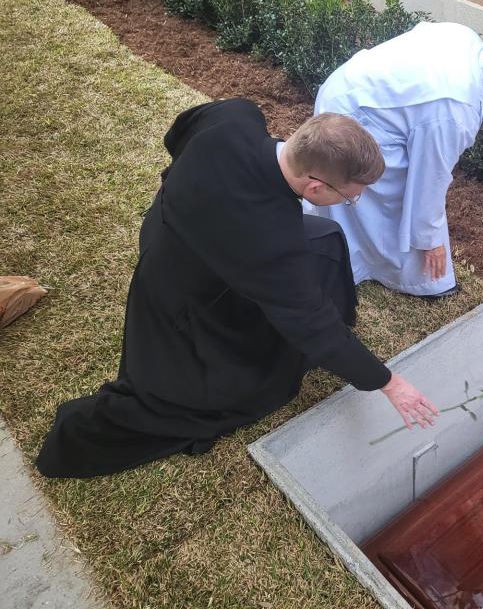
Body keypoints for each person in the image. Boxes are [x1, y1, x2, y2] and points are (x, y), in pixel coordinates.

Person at [36, 99, 438, 479]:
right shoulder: (271, 238)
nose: (357, 198)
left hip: (167, 222)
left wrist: (175, 182)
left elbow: (178, 133)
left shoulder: (235, 117)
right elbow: (311, 324)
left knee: (325, 237)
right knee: (249, 383)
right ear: (315, 188)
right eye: (351, 197)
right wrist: (388, 382)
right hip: (182, 281)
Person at [305, 23, 483, 297]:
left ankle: (362, 258)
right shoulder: (454, 110)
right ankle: (406, 276)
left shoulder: (467, 38)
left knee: (392, 195)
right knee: (392, 192)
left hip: (349, 87)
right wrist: (430, 240)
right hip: (353, 114)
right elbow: (429, 179)